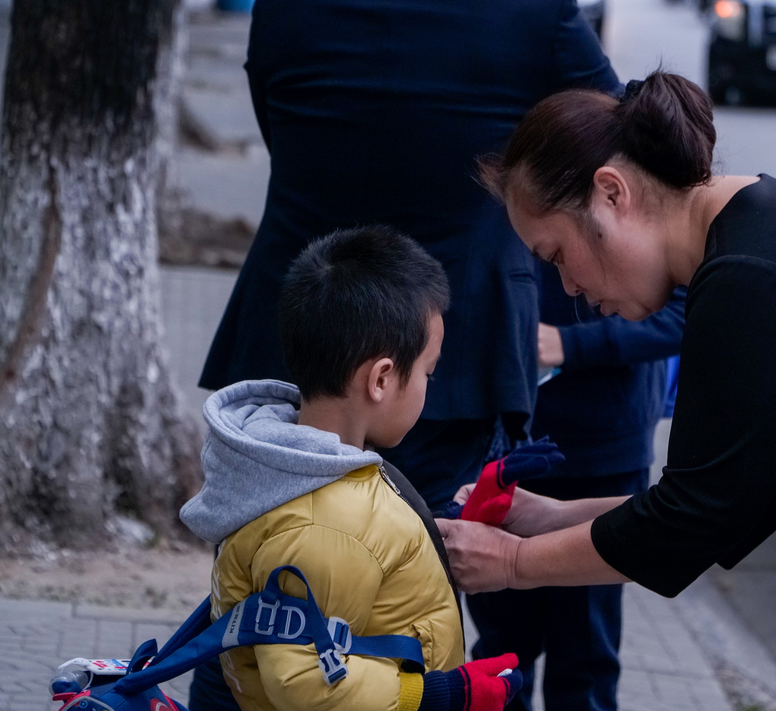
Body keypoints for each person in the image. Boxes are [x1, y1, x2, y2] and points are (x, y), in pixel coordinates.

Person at [437, 71, 776, 711]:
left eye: (556, 255)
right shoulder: (753, 238)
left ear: (611, 194)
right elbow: (727, 498)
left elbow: (691, 521)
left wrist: (510, 564)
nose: (570, 287)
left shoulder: (751, 279)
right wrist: (547, 516)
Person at [198, 0, 620, 514]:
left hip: (295, 325)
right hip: (456, 347)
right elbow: (613, 133)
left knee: (267, 553)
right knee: (426, 565)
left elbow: (274, 125)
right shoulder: (534, 12)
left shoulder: (283, 8)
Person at [180, 227, 521, 711]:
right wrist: (445, 694)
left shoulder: (317, 470)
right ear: (381, 378)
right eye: (428, 371)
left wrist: (440, 525)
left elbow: (368, 554)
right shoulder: (321, 524)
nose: (429, 385)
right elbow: (304, 683)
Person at [467, 269, 685, 711]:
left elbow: (688, 311)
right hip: (504, 440)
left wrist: (572, 345)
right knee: (501, 654)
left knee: (584, 657)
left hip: (605, 450)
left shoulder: (648, 209)